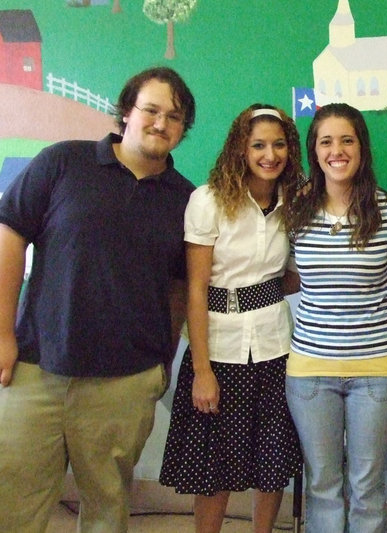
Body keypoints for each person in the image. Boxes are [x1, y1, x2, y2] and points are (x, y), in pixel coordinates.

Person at [0, 66, 195, 533]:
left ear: (183, 130)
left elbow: (179, 289)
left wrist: (159, 364)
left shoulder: (188, 200)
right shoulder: (61, 163)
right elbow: (9, 238)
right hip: (34, 369)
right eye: (150, 109)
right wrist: (3, 334)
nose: (160, 122)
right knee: (14, 504)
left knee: (107, 511)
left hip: (125, 383)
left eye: (174, 116)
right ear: (126, 111)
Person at [158, 104, 304, 533]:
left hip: (277, 346)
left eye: (279, 145)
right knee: (214, 467)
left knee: (272, 461)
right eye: (258, 144)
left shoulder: (294, 201)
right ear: (240, 148)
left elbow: (294, 274)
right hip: (218, 351)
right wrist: (202, 369)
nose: (269, 154)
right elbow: (196, 289)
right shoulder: (208, 201)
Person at [282, 103, 387, 533]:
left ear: (362, 147)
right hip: (310, 372)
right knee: (322, 484)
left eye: (347, 140)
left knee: (367, 486)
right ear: (314, 151)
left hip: (376, 373)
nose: (336, 150)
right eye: (326, 141)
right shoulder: (295, 211)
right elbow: (285, 277)